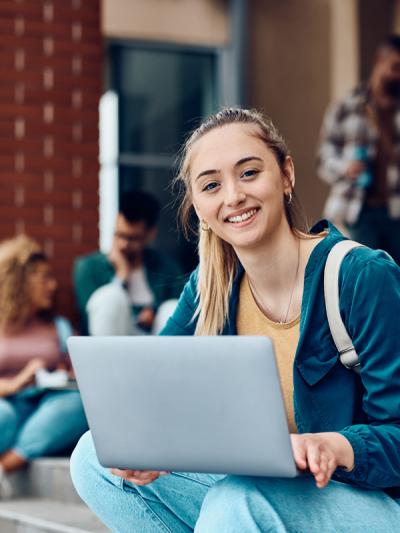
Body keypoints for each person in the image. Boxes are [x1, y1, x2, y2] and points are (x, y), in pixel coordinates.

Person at [70, 108, 400, 532]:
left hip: (372, 505)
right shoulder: (210, 290)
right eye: (211, 185)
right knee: (94, 459)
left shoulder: (360, 276)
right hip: (269, 494)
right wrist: (152, 444)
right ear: (199, 208)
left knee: (238, 499)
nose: (233, 197)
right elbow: (151, 397)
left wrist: (336, 445)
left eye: (248, 173)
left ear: (286, 175)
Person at [0, 235, 88, 499]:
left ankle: (5, 466)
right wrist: (14, 384)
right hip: (7, 402)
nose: (53, 285)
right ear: (20, 280)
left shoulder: (59, 327)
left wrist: (66, 375)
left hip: (47, 405)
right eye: (44, 278)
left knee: (77, 404)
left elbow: (82, 371)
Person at [317, 34, 400, 264]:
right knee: (367, 275)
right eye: (395, 67)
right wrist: (344, 167)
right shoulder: (345, 108)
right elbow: (323, 157)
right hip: (357, 211)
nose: (398, 75)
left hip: (396, 212)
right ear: (378, 61)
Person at [73, 190, 184, 336]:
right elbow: (91, 320)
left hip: (155, 338)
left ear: (150, 234)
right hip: (114, 342)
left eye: (132, 238)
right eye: (119, 234)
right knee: (109, 297)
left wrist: (154, 312)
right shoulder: (88, 267)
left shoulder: (167, 267)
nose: (123, 244)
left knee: (172, 308)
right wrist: (120, 277)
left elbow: (183, 312)